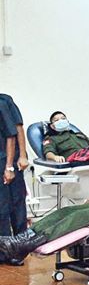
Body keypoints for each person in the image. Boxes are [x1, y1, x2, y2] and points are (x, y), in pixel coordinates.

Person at [0, 93, 29, 248]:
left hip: (10, 158)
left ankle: (20, 247)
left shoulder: (4, 101)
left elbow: (16, 130)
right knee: (2, 206)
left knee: (16, 203)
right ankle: (6, 248)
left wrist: (22, 156)